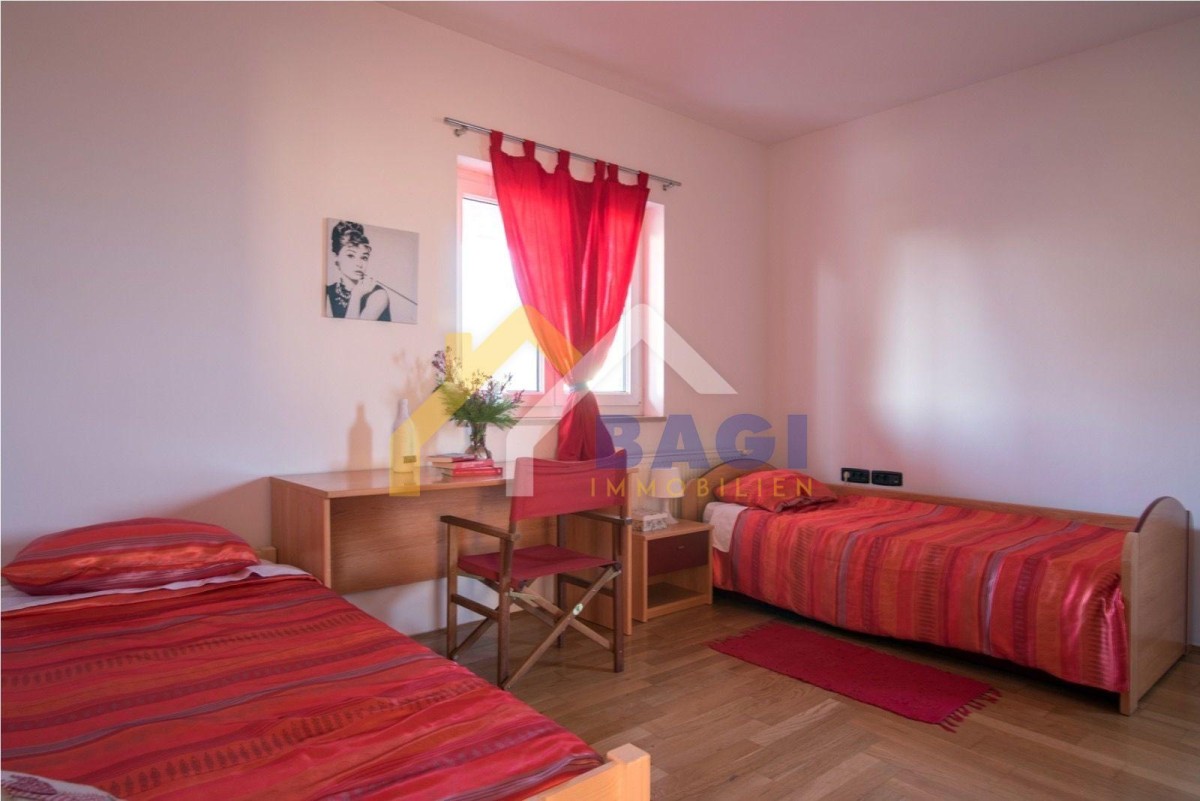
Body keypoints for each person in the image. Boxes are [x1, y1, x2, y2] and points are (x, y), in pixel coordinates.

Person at [326, 221, 391, 321]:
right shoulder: (327, 292)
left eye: (364, 257)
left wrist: (356, 295)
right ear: (336, 257)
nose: (359, 264)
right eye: (351, 255)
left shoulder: (379, 295)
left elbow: (353, 329)